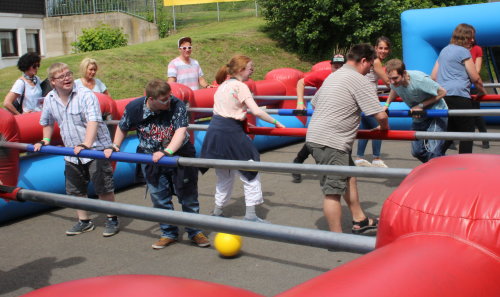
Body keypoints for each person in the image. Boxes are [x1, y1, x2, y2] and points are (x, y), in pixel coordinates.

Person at [104, 79, 210, 250]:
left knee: (188, 196)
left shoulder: (177, 105)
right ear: (151, 99)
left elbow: (181, 132)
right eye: (164, 99)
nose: (169, 101)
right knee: (160, 197)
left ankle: (194, 230)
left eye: (169, 96)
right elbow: (123, 127)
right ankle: (168, 232)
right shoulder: (135, 108)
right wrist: (115, 145)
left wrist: (167, 152)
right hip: (150, 159)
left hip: (179, 155)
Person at [305, 43, 389, 234]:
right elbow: (380, 115)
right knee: (332, 191)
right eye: (370, 66)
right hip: (330, 142)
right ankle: (337, 238)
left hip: (320, 137)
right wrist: (384, 128)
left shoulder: (334, 76)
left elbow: (316, 103)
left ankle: (360, 219)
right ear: (364, 61)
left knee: (349, 176)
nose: (371, 70)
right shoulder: (359, 79)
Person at [34, 62, 119, 237]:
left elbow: (93, 121)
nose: (67, 78)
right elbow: (47, 122)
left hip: (95, 148)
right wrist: (45, 140)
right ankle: (84, 221)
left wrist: (86, 145)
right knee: (75, 189)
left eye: (68, 74)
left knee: (103, 187)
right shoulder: (50, 98)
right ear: (52, 81)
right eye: (61, 76)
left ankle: (112, 218)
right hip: (71, 151)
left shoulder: (85, 95)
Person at [200, 55, 285, 222]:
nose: (252, 71)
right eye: (250, 68)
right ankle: (251, 215)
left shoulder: (222, 85)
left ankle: (217, 211)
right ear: (240, 70)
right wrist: (276, 122)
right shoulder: (241, 86)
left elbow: (227, 110)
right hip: (230, 132)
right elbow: (257, 111)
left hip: (215, 131)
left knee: (224, 173)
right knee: (251, 168)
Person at [431, 23, 487, 154]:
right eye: (470, 37)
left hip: (444, 97)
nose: (473, 40)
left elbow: (433, 76)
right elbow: (476, 78)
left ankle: (433, 157)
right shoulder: (463, 51)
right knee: (467, 133)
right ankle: (464, 163)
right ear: (463, 37)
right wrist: (482, 91)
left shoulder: (444, 50)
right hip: (459, 96)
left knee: (451, 132)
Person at [291, 54, 345, 183]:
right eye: (335, 66)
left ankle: (300, 163)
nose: (337, 68)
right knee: (315, 139)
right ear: (331, 65)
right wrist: (300, 101)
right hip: (321, 112)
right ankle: (299, 162)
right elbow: (300, 82)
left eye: (340, 66)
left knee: (325, 140)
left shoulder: (347, 77)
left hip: (337, 113)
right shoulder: (323, 75)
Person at [384, 59, 448, 163]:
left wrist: (421, 105)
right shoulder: (394, 82)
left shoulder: (419, 80)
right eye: (389, 79)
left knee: (434, 150)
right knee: (417, 151)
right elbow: (394, 89)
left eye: (395, 78)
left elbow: (442, 92)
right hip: (419, 115)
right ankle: (440, 163)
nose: (392, 82)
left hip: (436, 112)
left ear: (404, 73)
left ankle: (434, 172)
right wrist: (386, 105)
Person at [355, 37, 391, 168]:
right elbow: (387, 81)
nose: (383, 51)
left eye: (386, 48)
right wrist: (401, 87)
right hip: (367, 99)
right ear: (375, 48)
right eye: (380, 48)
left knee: (366, 128)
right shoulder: (375, 61)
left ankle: (359, 158)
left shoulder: (372, 60)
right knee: (379, 126)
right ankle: (376, 158)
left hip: (364, 98)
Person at [469, 41, 489, 149]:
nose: (470, 39)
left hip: (471, 85)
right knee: (458, 113)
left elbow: (477, 69)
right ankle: (452, 139)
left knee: (476, 114)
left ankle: (485, 139)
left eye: (472, 36)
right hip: (460, 86)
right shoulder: (459, 48)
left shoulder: (477, 49)